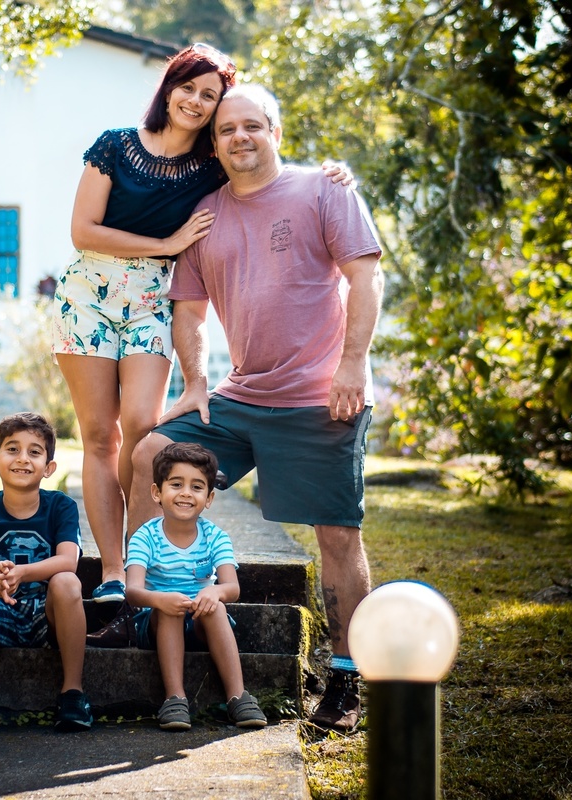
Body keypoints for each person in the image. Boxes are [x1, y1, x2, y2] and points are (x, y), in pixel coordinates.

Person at [127, 85, 385, 733]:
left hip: (320, 398)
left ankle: (346, 679)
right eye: (226, 130)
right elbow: (189, 312)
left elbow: (366, 276)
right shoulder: (206, 214)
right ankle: (146, 611)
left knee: (336, 533)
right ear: (213, 145)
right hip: (242, 398)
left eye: (252, 125)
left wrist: (352, 364)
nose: (239, 136)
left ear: (275, 131)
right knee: (152, 451)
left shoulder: (324, 190)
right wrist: (196, 381)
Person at [54, 44, 353, 605]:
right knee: (98, 435)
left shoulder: (211, 163)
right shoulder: (114, 145)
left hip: (153, 300)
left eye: (209, 95)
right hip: (88, 295)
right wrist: (167, 243)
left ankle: (147, 561)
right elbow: (82, 230)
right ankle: (115, 572)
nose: (196, 101)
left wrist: (331, 173)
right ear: (168, 88)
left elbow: (260, 156)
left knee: (141, 428)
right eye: (187, 87)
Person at [0, 412, 93, 734]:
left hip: (47, 614)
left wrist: (23, 573)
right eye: (12, 449)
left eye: (34, 452)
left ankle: (73, 692)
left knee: (67, 581)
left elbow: (68, 560)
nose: (23, 458)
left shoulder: (61, 506)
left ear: (49, 468)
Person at [124, 442, 268, 731]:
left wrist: (214, 591)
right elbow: (133, 591)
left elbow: (232, 588)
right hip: (156, 623)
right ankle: (175, 698)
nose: (186, 493)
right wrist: (160, 600)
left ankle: (238, 696)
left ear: (209, 497)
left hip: (202, 622)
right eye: (176, 484)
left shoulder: (215, 537)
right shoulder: (144, 537)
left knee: (216, 608)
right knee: (170, 610)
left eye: (197, 487)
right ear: (157, 492)